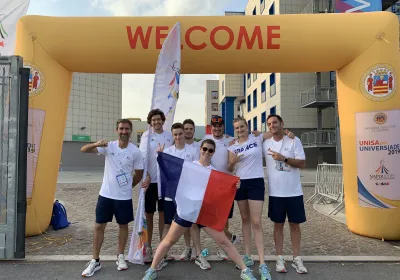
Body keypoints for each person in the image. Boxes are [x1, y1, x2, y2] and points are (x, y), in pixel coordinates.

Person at [142, 139, 257, 280]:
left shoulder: (214, 172)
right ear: (200, 149)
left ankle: (245, 270)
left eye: (210, 150)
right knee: (168, 241)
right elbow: (171, 172)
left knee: (223, 241)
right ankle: (152, 269)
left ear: (213, 152)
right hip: (187, 211)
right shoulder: (190, 167)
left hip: (204, 213)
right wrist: (160, 156)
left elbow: (222, 192)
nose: (207, 152)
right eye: (205, 149)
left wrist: (234, 185)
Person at [227, 116, 295, 280]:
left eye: (242, 127)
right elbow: (229, 167)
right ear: (234, 130)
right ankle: (248, 256)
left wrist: (290, 134)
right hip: (240, 183)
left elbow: (274, 132)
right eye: (237, 128)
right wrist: (233, 162)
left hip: (256, 182)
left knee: (256, 222)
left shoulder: (256, 137)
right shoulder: (233, 146)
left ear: (247, 126)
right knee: (245, 219)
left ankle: (263, 263)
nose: (240, 130)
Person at [80, 119, 144, 277]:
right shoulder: (108, 146)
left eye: (127, 129)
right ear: (117, 130)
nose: (124, 131)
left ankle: (120, 256)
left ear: (130, 131)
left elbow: (139, 174)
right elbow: (83, 150)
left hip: (123, 197)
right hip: (106, 195)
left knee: (123, 226)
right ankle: (95, 260)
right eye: (121, 128)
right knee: (99, 226)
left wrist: (128, 186)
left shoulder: (135, 151)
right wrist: (96, 144)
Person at [262, 114, 308, 274]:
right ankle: (279, 258)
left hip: (294, 192)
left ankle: (296, 258)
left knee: (295, 226)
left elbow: (302, 163)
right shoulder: (265, 143)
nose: (272, 125)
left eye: (275, 122)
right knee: (278, 226)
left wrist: (284, 159)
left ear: (282, 123)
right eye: (269, 123)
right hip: (276, 194)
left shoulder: (294, 140)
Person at [158, 122, 205, 270]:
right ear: (172, 136)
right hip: (171, 194)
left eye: (180, 133)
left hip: (187, 194)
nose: (178, 136)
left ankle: (197, 254)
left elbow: (198, 171)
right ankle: (162, 256)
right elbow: (164, 173)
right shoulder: (168, 151)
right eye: (175, 134)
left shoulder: (193, 151)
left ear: (185, 134)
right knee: (167, 224)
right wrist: (160, 157)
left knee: (191, 224)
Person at [200, 115, 238, 261]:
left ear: (223, 127)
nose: (217, 128)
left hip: (226, 183)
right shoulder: (205, 139)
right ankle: (229, 238)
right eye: (214, 126)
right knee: (210, 217)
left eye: (220, 125)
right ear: (211, 127)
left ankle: (224, 246)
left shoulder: (230, 140)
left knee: (224, 217)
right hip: (210, 183)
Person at [140, 109, 173, 263]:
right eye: (153, 120)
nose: (156, 122)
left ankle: (162, 248)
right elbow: (142, 158)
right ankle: (147, 247)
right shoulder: (146, 136)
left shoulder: (169, 136)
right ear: (150, 122)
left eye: (159, 119)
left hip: (164, 182)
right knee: (148, 215)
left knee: (163, 215)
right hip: (150, 182)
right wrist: (145, 174)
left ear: (163, 120)